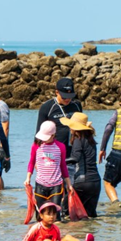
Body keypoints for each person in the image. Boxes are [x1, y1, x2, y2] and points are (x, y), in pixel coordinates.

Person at [36, 78, 83, 212]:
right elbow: (38, 134)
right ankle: (52, 212)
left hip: (72, 152)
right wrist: (36, 159)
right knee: (53, 185)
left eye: (70, 96)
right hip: (52, 154)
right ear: (56, 92)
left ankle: (67, 211)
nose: (67, 99)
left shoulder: (77, 106)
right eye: (64, 96)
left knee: (71, 184)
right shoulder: (47, 107)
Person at [24, 121, 74, 220]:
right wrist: (28, 178)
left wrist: (69, 184)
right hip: (40, 185)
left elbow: (63, 166)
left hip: (56, 186)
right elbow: (31, 162)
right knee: (40, 217)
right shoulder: (36, 146)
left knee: (55, 217)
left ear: (53, 135)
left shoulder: (61, 147)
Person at [60, 113, 101, 217]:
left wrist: (59, 162)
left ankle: (75, 232)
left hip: (83, 182)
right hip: (95, 182)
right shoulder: (91, 140)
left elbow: (75, 158)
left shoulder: (78, 140)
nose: (69, 128)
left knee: (66, 211)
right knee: (90, 216)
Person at [22, 202, 94, 241]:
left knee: (67, 237)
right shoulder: (36, 228)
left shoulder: (55, 228)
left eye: (54, 214)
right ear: (41, 215)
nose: (52, 217)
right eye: (49, 214)